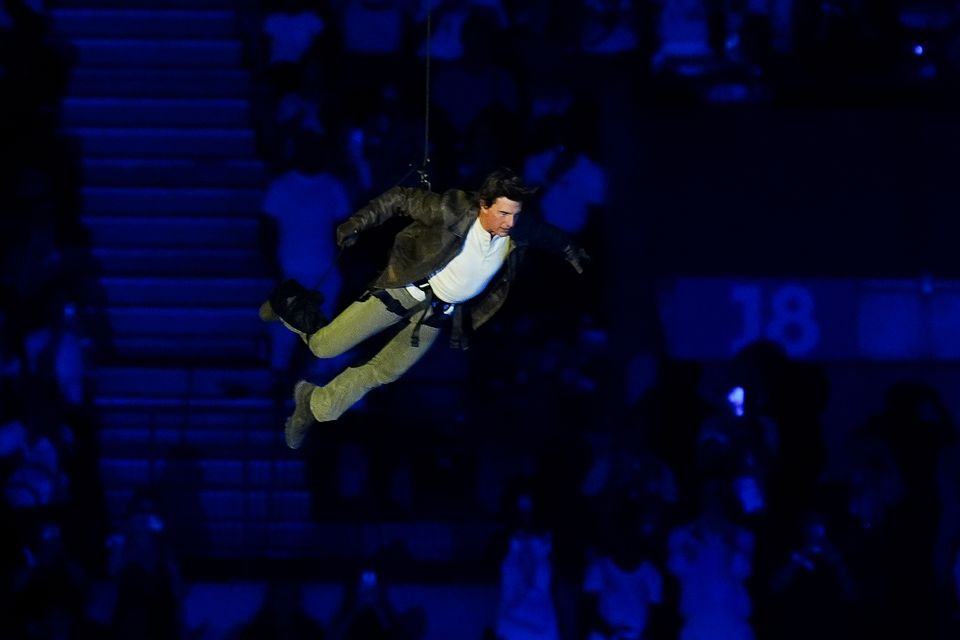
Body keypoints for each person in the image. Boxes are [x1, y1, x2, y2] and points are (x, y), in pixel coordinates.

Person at [260, 168, 590, 449]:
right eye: (503, 213)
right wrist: (359, 222)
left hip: (436, 314)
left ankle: (314, 404)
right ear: (484, 204)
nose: (509, 222)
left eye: (515, 215)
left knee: (384, 372)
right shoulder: (455, 209)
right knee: (323, 347)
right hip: (405, 291)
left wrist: (571, 250)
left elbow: (548, 235)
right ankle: (286, 301)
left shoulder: (519, 226)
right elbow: (401, 198)